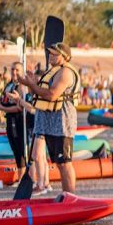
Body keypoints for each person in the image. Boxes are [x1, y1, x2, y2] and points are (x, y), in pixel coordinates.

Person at [19, 42, 80, 195]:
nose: (50, 56)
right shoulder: (53, 71)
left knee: (65, 163)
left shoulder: (65, 72)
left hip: (63, 123)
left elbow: (52, 95)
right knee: (59, 163)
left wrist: (32, 85)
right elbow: (39, 95)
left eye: (55, 54)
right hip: (51, 124)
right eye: (50, 53)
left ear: (64, 57)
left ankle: (70, 197)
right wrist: (32, 85)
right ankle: (67, 196)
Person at [0, 62, 35, 169]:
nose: (14, 72)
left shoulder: (21, 86)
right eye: (12, 69)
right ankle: (20, 177)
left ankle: (25, 176)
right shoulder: (9, 84)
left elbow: (19, 107)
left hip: (19, 121)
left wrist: (3, 108)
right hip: (10, 120)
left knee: (21, 150)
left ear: (22, 71)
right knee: (15, 150)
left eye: (17, 70)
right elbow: (5, 99)